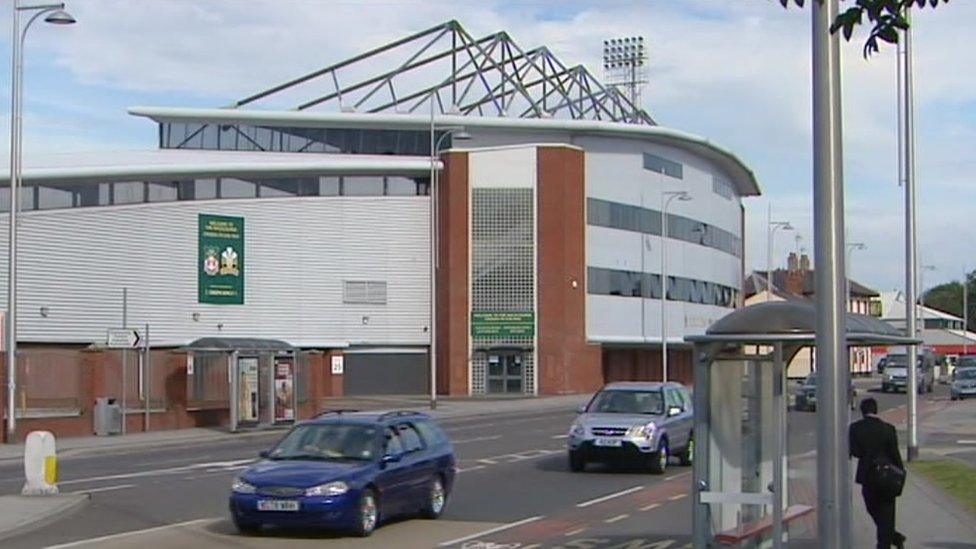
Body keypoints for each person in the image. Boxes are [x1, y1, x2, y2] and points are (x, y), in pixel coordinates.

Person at [849, 397, 906, 549]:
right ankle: (891, 538)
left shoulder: (855, 428)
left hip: (868, 477)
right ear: (876, 410)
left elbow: (854, 451)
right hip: (888, 477)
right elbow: (895, 455)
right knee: (887, 514)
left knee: (872, 508)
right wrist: (900, 476)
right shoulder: (888, 429)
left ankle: (889, 540)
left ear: (862, 411)